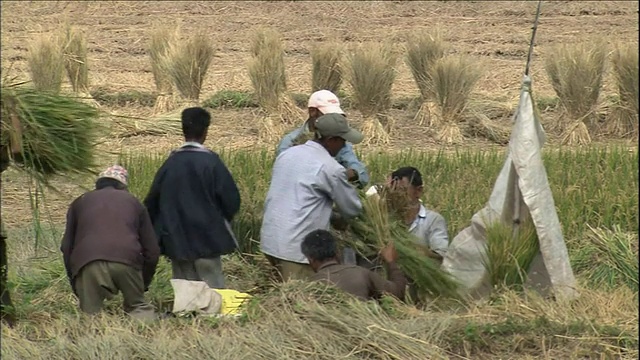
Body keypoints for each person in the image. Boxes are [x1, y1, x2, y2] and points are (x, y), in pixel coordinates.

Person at [144, 107, 241, 289]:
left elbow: (151, 203)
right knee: (212, 291)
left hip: (177, 240)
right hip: (208, 239)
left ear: (183, 130)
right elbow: (231, 200)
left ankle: (187, 315)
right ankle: (210, 317)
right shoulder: (212, 163)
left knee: (185, 290)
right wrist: (219, 221)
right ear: (206, 132)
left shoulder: (170, 164)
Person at [261, 113, 363, 281]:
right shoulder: (330, 167)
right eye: (342, 141)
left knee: (280, 295)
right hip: (295, 250)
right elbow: (352, 209)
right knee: (300, 301)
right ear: (332, 140)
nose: (344, 145)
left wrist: (329, 214)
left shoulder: (288, 154)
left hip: (270, 241)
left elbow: (298, 199)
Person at [60, 165, 160, 319]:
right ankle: (144, 334)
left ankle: (91, 338)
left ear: (98, 184)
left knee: (90, 315)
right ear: (123, 186)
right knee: (138, 308)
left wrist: (75, 280)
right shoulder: (134, 202)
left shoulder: (79, 202)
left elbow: (66, 247)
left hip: (88, 262)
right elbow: (152, 250)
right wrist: (143, 283)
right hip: (126, 259)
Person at [276, 90, 369, 188]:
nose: (333, 119)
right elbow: (285, 176)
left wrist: (349, 174)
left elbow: (361, 175)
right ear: (312, 112)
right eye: (328, 115)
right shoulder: (289, 142)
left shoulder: (338, 141)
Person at [302, 229, 407, 301]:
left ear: (310, 259)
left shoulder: (307, 287)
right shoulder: (360, 273)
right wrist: (391, 262)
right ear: (338, 252)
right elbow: (397, 293)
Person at [389, 166, 449, 262]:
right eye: (392, 191)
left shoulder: (433, 220)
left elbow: (442, 255)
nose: (396, 196)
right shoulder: (385, 220)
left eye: (402, 190)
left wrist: (422, 253)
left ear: (418, 191)